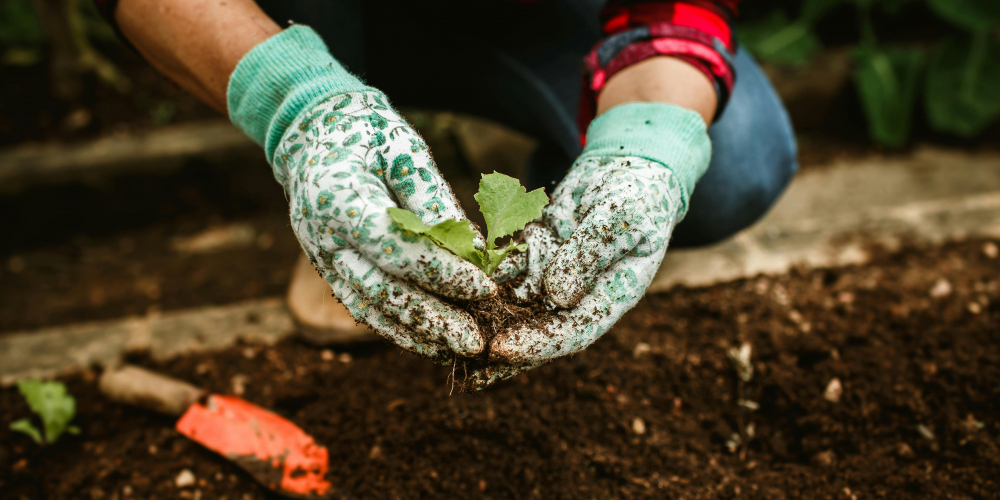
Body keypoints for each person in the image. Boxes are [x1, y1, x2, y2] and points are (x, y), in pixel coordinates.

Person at [95, 0, 796, 385]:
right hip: (293, 12)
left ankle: (542, 209)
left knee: (731, 165)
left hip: (522, 17)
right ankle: (344, 194)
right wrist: (299, 106)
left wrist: (649, 142)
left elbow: (676, 10)